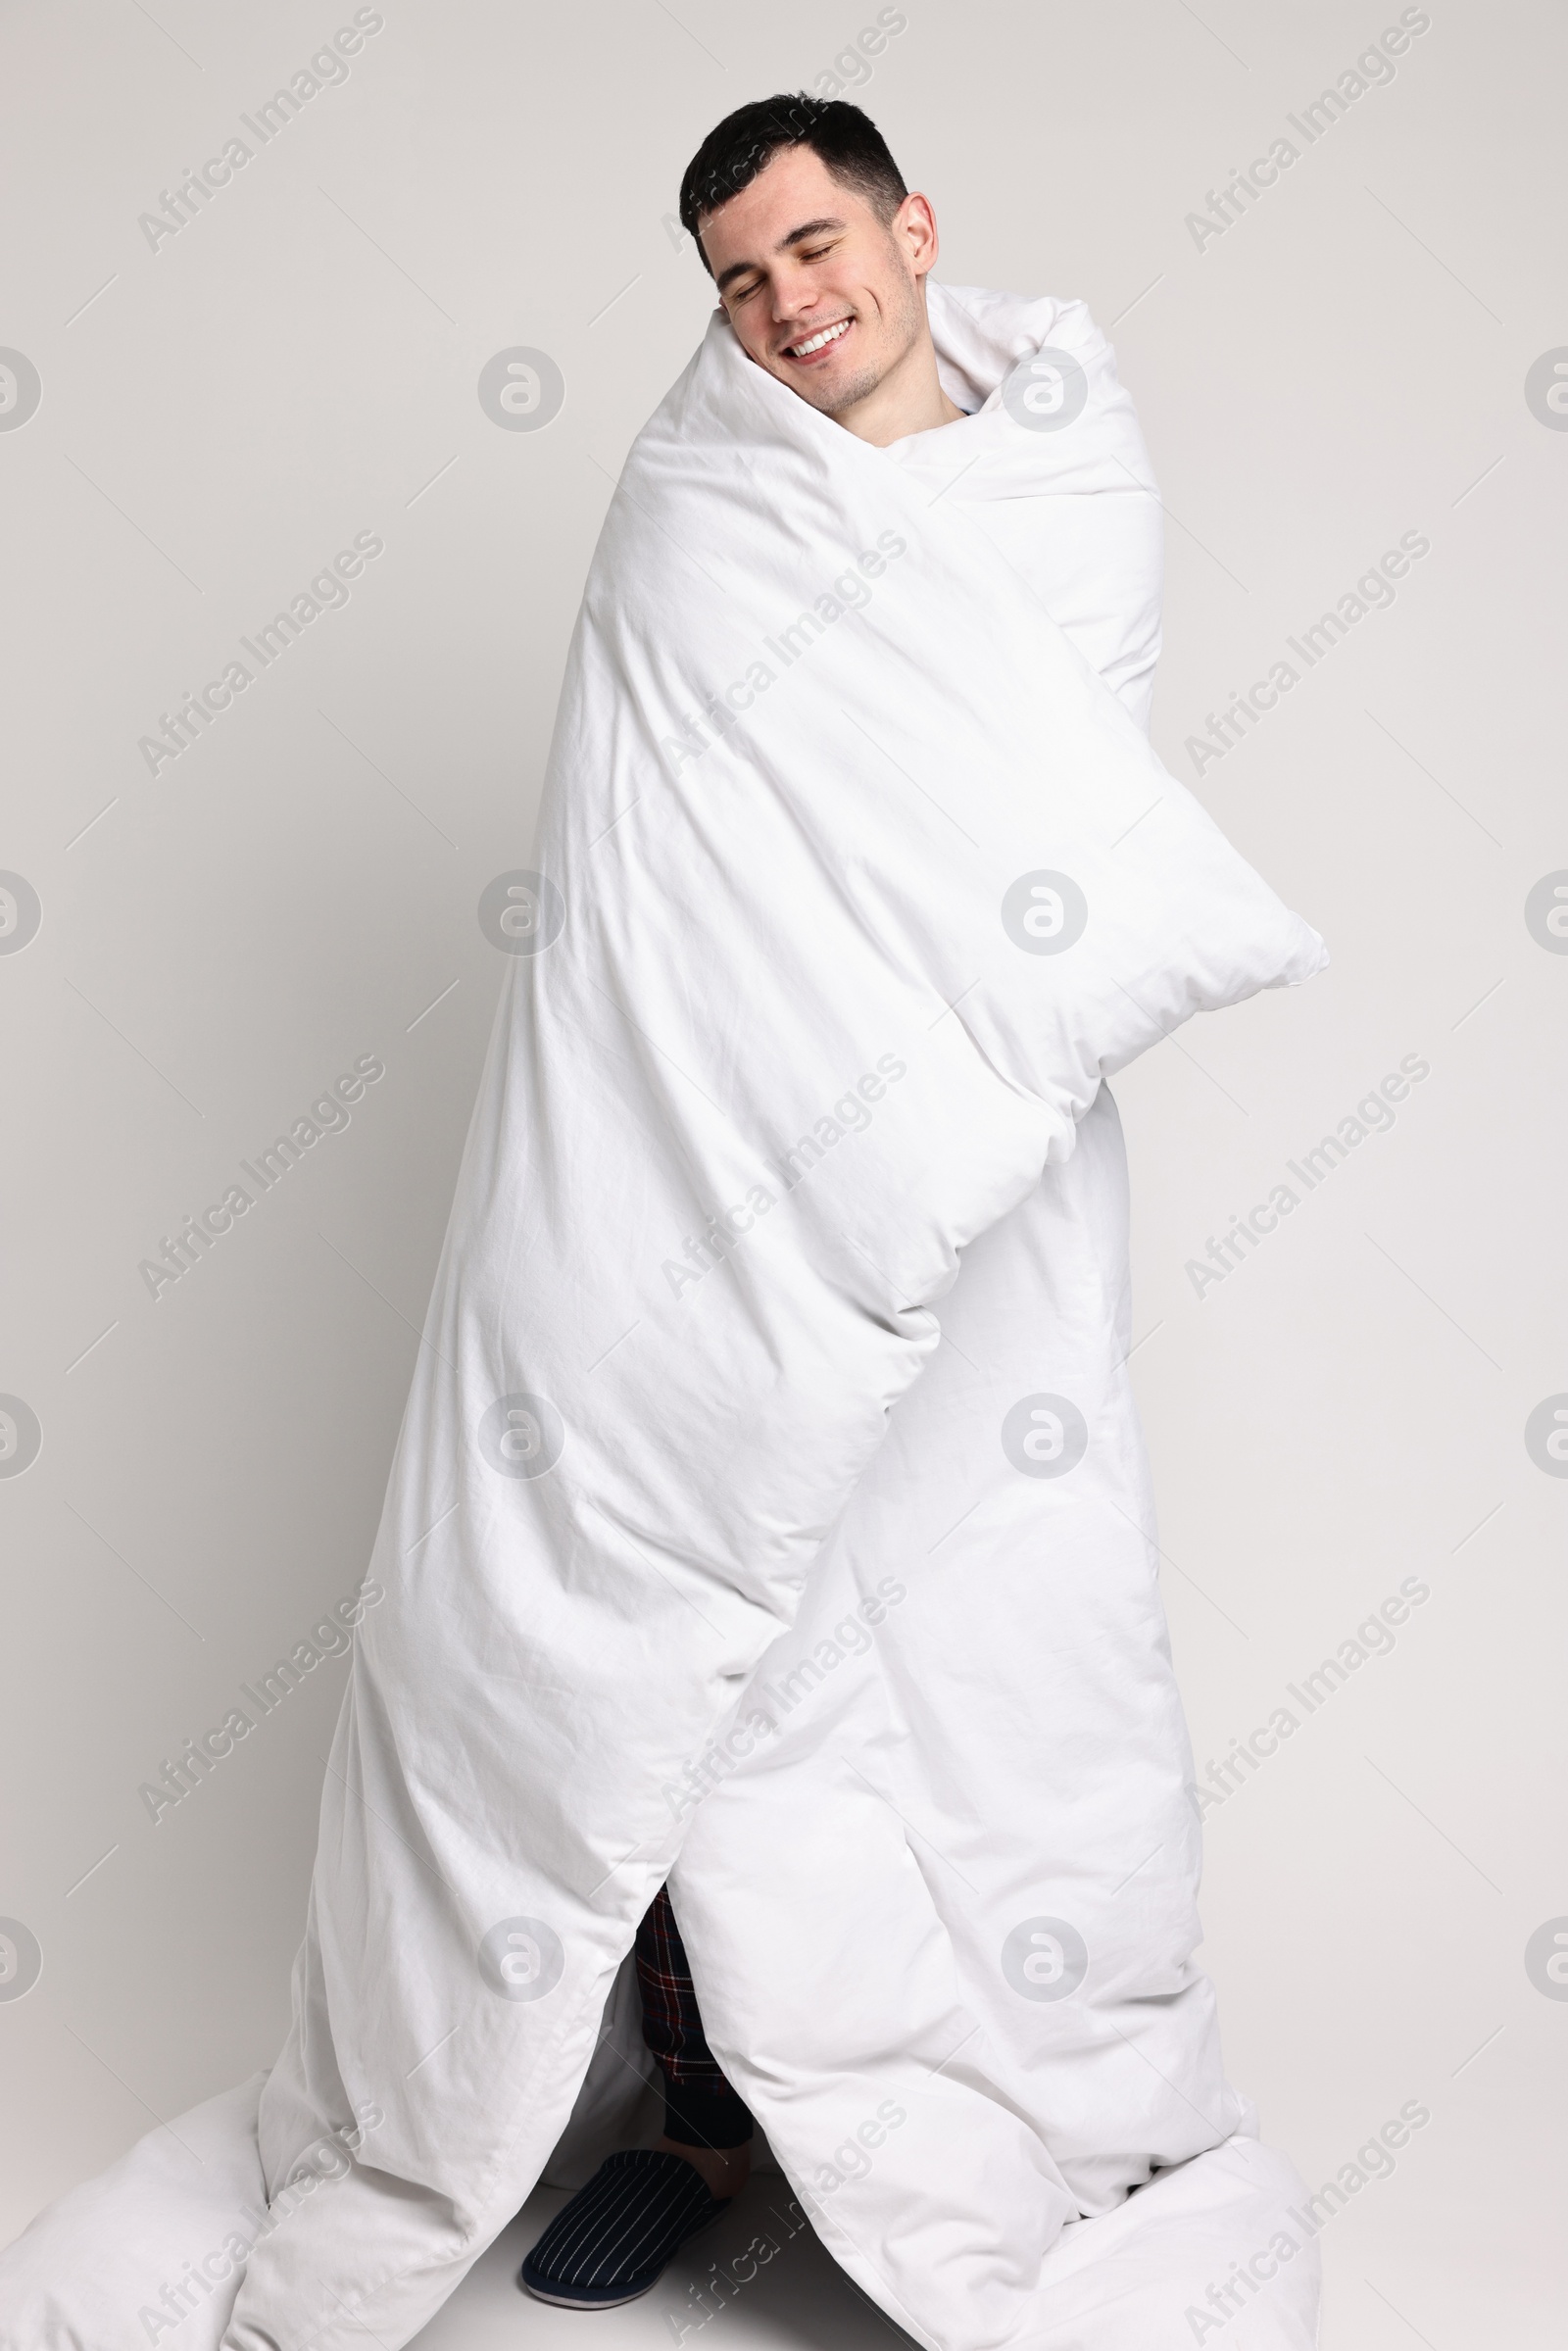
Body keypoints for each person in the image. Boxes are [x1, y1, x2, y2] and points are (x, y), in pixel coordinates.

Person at [519, 86, 1154, 2315]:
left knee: (980, 1625)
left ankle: (998, 2085)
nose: (787, 302)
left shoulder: (1059, 477)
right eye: (739, 279)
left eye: (811, 245)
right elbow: (643, 855)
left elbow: (1068, 838)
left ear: (908, 225)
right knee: (705, 1618)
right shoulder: (702, 506)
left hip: (972, 1148)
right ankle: (699, 2119)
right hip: (711, 1145)